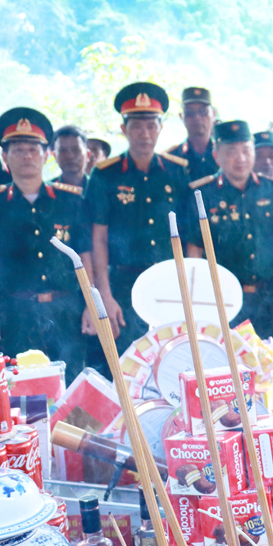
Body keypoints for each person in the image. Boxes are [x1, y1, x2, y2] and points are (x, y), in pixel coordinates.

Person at [0, 108, 92, 380]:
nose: (27, 156)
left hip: (66, 312)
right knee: (21, 391)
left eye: (33, 149)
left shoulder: (70, 201)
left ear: (46, 155)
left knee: (71, 386)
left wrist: (91, 306)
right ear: (5, 157)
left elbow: (85, 258)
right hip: (16, 315)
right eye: (18, 150)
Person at [84, 81, 190, 347]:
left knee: (175, 358)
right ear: (124, 129)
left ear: (160, 128)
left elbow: (190, 234)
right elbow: (98, 238)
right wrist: (105, 295)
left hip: (171, 284)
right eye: (137, 126)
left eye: (151, 125)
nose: (145, 133)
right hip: (124, 285)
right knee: (130, 364)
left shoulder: (177, 171)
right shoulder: (105, 174)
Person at [183, 120, 273, 346]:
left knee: (270, 369)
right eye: (231, 152)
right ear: (217, 156)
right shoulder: (202, 195)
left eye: (246, 150)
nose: (240, 158)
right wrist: (199, 301)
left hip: (267, 298)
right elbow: (194, 251)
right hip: (222, 302)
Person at [167, 86, 219, 182]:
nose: (197, 117)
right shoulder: (170, 159)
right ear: (181, 117)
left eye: (203, 112)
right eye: (189, 113)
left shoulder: (226, 155)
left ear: (213, 114)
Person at [51, 125, 89, 193]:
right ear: (55, 156)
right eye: (63, 150)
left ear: (88, 155)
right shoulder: (47, 191)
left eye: (76, 150)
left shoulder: (101, 189)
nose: (70, 156)